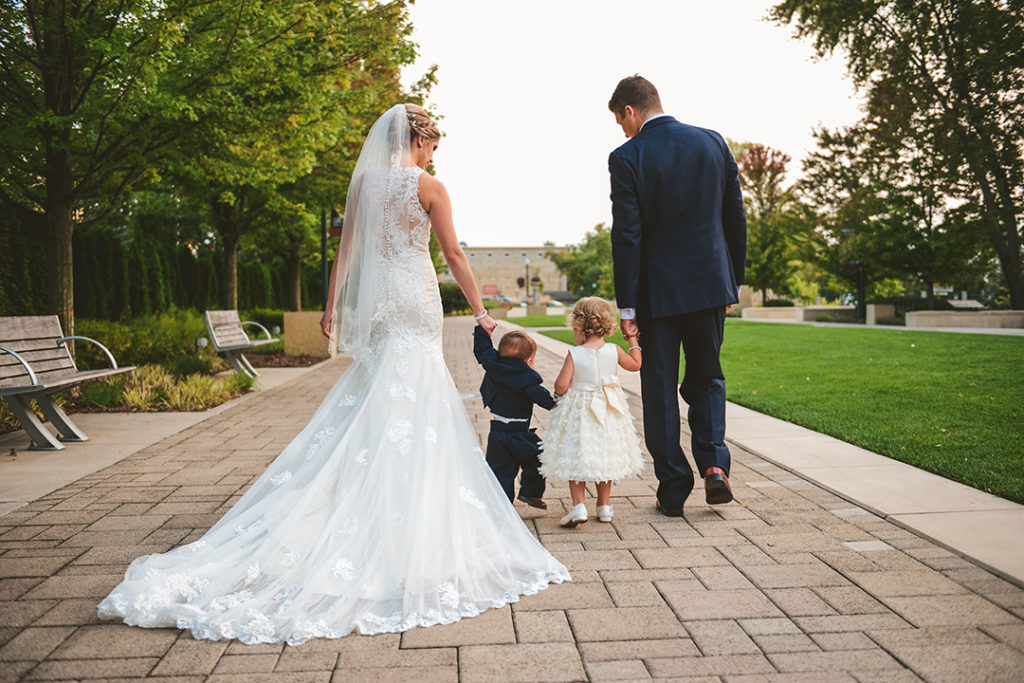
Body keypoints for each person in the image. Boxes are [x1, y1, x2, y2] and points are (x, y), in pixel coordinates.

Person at [97, 104, 570, 645]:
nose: (433, 155)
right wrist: (482, 312)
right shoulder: (430, 186)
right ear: (417, 140)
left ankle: (358, 489)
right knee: (413, 397)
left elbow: (347, 249)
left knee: (376, 393)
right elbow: (454, 254)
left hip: (380, 308)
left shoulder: (364, 184)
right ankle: (401, 507)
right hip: (415, 303)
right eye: (432, 146)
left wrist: (331, 306)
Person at [607, 75, 747, 516]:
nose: (622, 130)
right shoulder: (713, 143)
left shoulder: (627, 157)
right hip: (710, 286)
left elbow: (627, 236)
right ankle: (714, 465)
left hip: (657, 294)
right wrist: (732, 281)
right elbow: (734, 217)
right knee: (707, 376)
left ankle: (673, 487)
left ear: (630, 111)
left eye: (620, 121)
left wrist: (627, 306)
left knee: (660, 390)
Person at [539, 297, 643, 527]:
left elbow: (561, 385)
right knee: (603, 453)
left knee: (578, 453)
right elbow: (636, 364)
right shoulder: (614, 350)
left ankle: (578, 507)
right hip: (609, 407)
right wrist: (633, 338)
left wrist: (561, 393)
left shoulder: (575, 353)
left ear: (580, 326)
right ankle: (604, 507)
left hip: (580, 411)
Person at [472, 327, 556, 509]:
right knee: (540, 456)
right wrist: (555, 403)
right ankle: (530, 492)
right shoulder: (525, 377)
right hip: (519, 433)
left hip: (497, 432)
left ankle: (501, 506)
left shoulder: (494, 364)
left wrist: (482, 329)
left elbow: (482, 350)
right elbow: (541, 396)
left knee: (501, 471)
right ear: (528, 360)